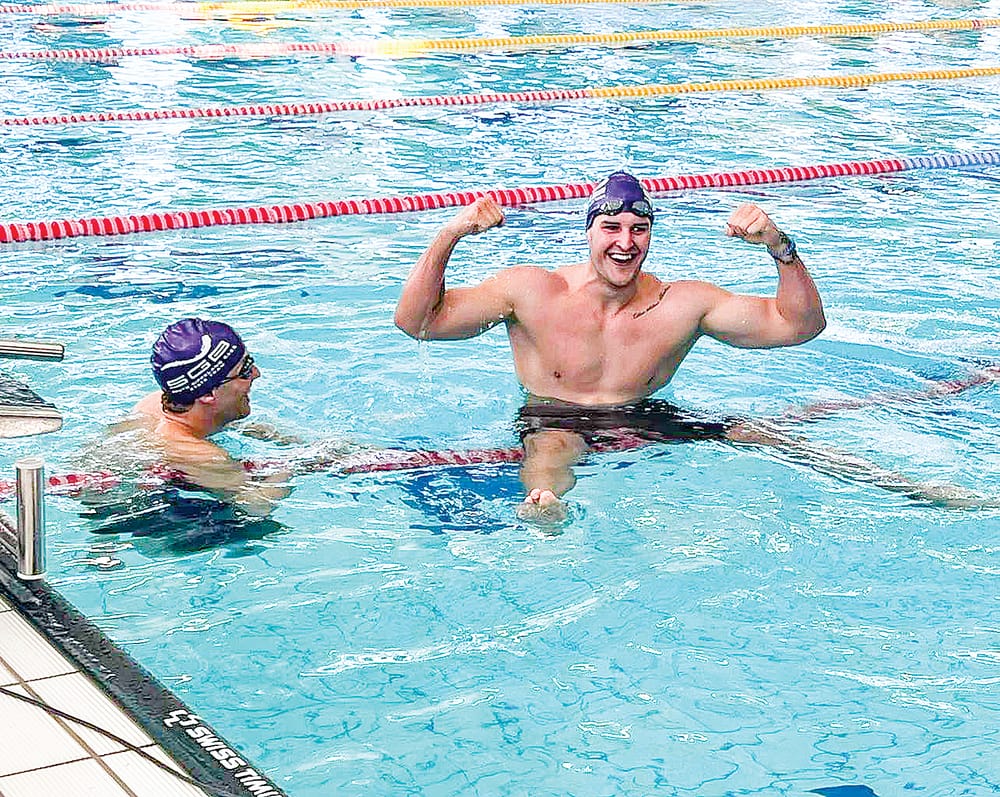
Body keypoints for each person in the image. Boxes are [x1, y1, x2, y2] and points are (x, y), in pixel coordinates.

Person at [395, 171, 989, 520]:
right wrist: (451, 233)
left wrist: (780, 247)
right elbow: (417, 322)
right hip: (554, 415)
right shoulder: (530, 291)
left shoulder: (681, 303)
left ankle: (912, 487)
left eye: (639, 229)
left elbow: (800, 326)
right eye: (611, 228)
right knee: (551, 452)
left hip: (647, 415)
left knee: (764, 435)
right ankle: (546, 514)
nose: (626, 242)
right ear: (588, 233)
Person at [83, 318, 298, 519]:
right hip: (125, 514)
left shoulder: (155, 403)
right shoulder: (202, 456)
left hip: (114, 483)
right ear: (208, 394)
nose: (256, 373)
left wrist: (278, 436)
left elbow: (227, 420)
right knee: (257, 528)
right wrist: (292, 466)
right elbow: (257, 504)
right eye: (245, 371)